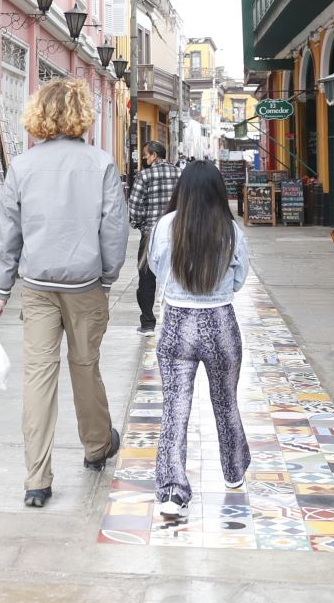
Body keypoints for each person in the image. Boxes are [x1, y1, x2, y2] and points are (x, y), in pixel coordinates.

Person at [0, 78, 129, 508]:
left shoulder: (22, 167)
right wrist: (108, 277)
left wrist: (2, 288)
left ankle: (37, 479)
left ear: (39, 114)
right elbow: (114, 229)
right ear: (81, 113)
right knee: (85, 367)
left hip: (37, 288)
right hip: (85, 284)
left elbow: (9, 231)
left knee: (38, 377)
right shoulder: (101, 163)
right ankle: (96, 446)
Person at [147, 161, 251, 520]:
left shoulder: (165, 226)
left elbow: (157, 268)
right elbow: (239, 280)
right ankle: (234, 470)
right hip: (221, 321)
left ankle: (173, 491)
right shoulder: (232, 231)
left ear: (183, 190)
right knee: (226, 400)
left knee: (175, 409)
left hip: (177, 321)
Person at [127, 141, 182, 335]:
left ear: (155, 156)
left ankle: (148, 323)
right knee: (178, 276)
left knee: (146, 279)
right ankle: (175, 321)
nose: (144, 158)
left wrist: (140, 225)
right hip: (178, 232)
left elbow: (134, 206)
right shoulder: (180, 174)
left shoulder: (145, 175)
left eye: (146, 155)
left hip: (151, 233)